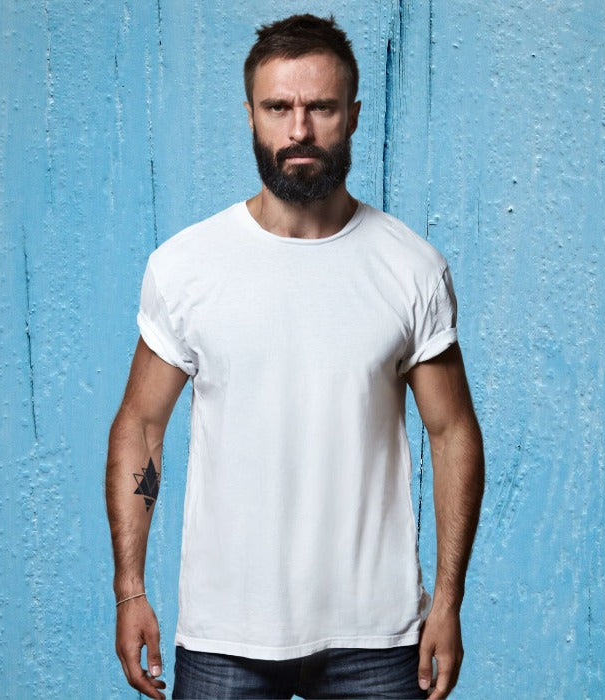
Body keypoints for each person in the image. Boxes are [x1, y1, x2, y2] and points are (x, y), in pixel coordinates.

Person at [106, 13, 484, 700]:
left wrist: (449, 600)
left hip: (377, 635)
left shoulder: (411, 268)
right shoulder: (186, 266)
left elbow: (453, 430)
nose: (299, 130)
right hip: (226, 634)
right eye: (278, 107)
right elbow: (141, 424)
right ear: (250, 115)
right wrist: (129, 590)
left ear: (354, 116)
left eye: (321, 108)